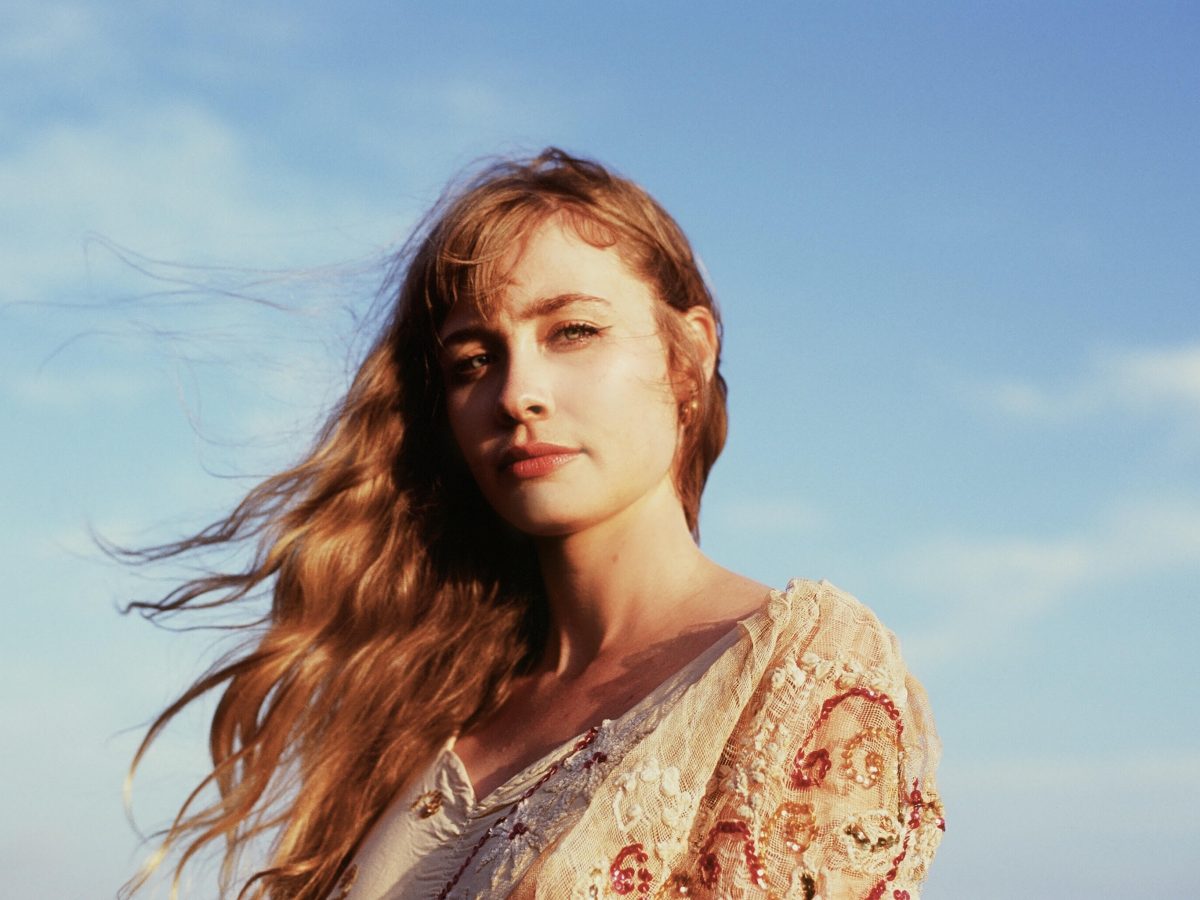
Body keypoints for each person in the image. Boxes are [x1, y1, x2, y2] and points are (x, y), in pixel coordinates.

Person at [122, 149, 944, 899]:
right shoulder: (431, 713)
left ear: (687, 356)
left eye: (573, 331)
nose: (517, 394)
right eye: (473, 361)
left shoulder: (798, 666)